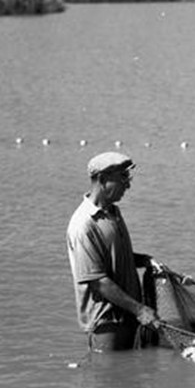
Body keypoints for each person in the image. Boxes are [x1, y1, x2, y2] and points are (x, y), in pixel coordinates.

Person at [66, 151, 160, 352]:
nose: (128, 185)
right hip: (107, 324)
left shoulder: (112, 212)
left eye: (129, 178)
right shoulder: (83, 225)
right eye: (122, 178)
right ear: (102, 180)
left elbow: (114, 258)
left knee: (129, 378)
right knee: (108, 379)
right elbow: (98, 281)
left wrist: (144, 260)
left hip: (128, 315)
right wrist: (141, 310)